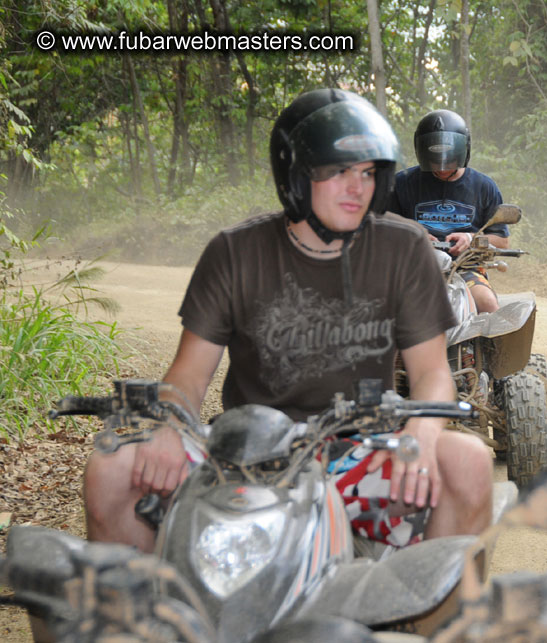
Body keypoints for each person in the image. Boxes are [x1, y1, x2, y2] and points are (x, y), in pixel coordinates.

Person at [83, 89, 494, 554]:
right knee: (112, 470)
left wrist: (421, 430)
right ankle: (150, 617)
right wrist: (171, 426)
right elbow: (188, 375)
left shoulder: (404, 247)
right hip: (244, 451)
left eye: (367, 172)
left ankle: (439, 624)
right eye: (337, 171)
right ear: (295, 175)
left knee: (470, 463)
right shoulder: (234, 251)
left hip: (357, 450)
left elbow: (432, 373)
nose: (357, 187)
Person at [387, 109, 508, 313]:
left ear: (464, 151)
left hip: (465, 270)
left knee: (488, 303)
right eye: (434, 162)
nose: (442, 168)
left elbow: (502, 241)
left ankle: (488, 346)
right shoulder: (401, 184)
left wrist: (470, 238)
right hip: (412, 270)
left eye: (449, 162)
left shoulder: (484, 186)